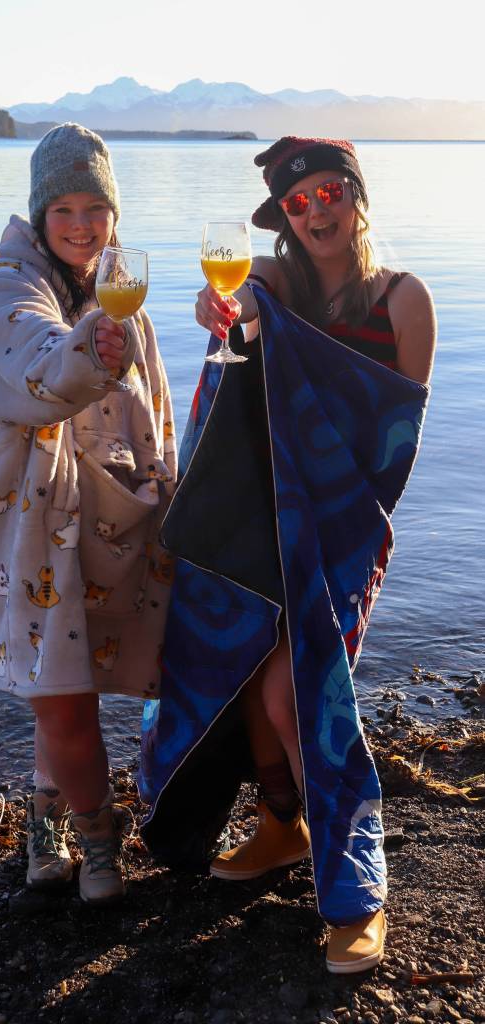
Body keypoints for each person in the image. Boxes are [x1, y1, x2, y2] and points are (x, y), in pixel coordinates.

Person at [140, 135, 435, 972]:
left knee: (293, 689)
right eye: (297, 203)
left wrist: (345, 515)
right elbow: (235, 312)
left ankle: (357, 889)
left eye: (328, 192)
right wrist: (216, 312)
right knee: (241, 669)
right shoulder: (273, 281)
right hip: (256, 515)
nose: (315, 212)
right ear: (283, 219)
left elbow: (395, 437)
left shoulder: (404, 299)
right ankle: (281, 828)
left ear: (355, 195)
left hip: (341, 528)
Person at [0, 123, 176, 905]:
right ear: (39, 213)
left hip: (92, 515)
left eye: (96, 208)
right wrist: (93, 349)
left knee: (68, 685)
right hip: (21, 532)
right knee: (65, 699)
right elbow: (36, 368)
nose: (81, 224)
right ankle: (100, 842)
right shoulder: (1, 287)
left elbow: (152, 407)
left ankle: (45, 821)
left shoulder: (110, 285)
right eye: (64, 209)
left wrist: (164, 489)